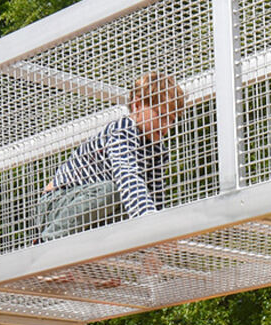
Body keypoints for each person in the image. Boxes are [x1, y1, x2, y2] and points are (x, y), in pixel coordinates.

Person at [34, 72, 185, 243]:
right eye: (161, 116)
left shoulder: (158, 151)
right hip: (57, 204)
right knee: (114, 191)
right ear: (136, 105)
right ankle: (48, 242)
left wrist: (156, 242)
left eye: (172, 120)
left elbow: (155, 196)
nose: (167, 126)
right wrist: (149, 223)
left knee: (128, 205)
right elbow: (127, 175)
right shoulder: (122, 130)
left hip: (96, 212)